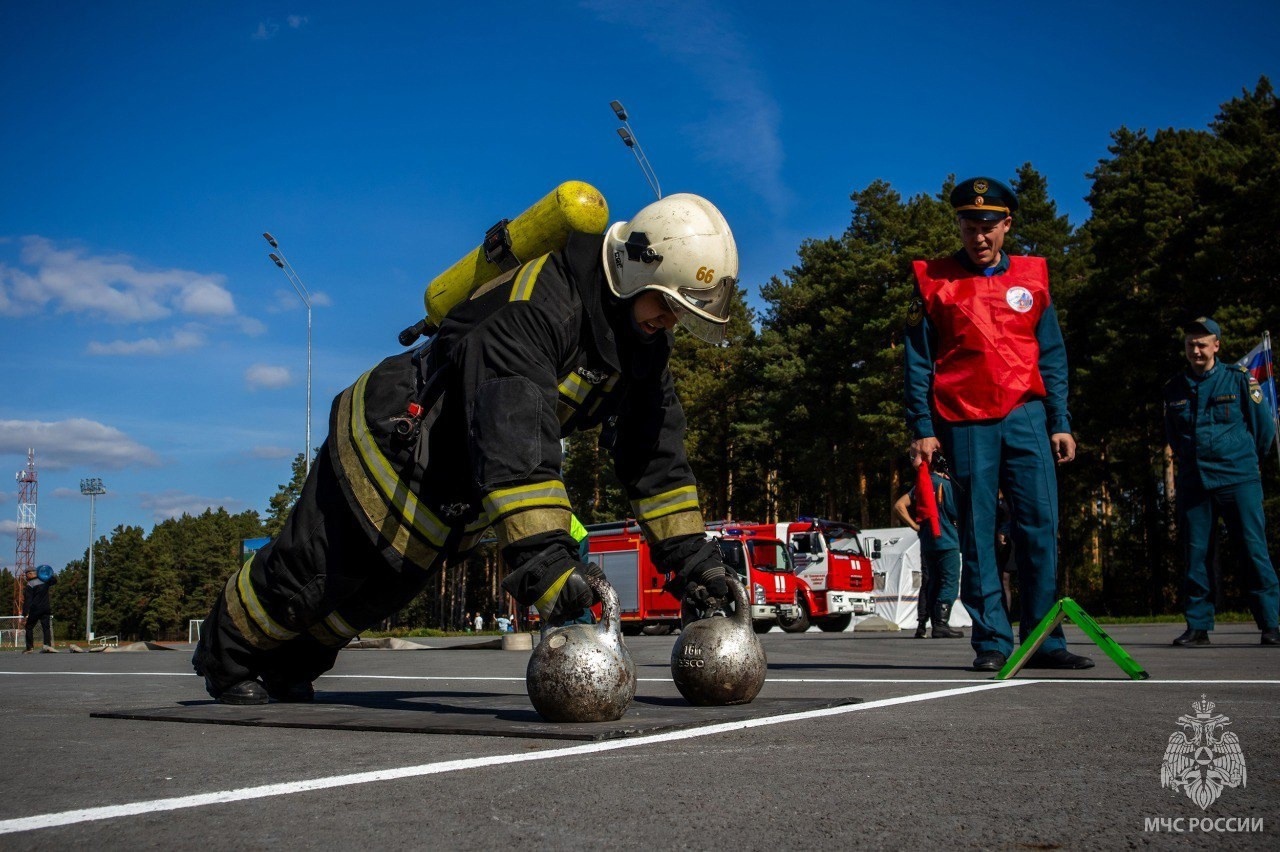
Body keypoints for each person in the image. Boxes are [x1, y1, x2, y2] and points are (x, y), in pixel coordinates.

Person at [192, 193, 738, 704]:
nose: (672, 322)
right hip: (388, 445)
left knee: (373, 596)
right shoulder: (540, 304)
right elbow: (515, 434)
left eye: (681, 313)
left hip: (453, 479)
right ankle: (228, 660)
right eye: (667, 304)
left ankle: (292, 666)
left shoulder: (641, 347)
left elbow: (656, 461)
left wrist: (696, 566)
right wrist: (546, 560)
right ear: (635, 271)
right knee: (311, 572)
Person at [904, 176, 1093, 672]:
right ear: (960, 226)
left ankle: (1045, 641)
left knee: (1039, 526)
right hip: (964, 420)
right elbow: (918, 361)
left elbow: (1052, 356)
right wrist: (921, 426)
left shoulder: (1033, 279)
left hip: (1027, 416)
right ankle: (991, 640)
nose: (979, 236)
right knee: (978, 532)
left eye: (989, 225)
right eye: (970, 225)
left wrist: (1061, 420)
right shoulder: (937, 282)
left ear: (1007, 224)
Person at [1163, 317, 1278, 646]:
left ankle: (1270, 624)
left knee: (1253, 550)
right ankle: (1198, 626)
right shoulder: (1174, 387)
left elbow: (1263, 430)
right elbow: (1174, 434)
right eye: (1190, 344)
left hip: (1238, 478)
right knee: (1195, 555)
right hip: (1195, 481)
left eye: (1202, 344)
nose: (1196, 350)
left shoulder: (1239, 379)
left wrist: (1243, 462)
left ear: (1217, 346)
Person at [893, 449, 964, 639]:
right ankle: (941, 623)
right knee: (949, 580)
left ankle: (931, 622)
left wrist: (916, 526)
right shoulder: (945, 485)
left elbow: (899, 505)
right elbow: (955, 512)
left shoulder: (920, 485)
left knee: (931, 581)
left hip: (927, 540)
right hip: (947, 538)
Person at [22, 565, 57, 653]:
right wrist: (48, 574)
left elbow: (28, 600)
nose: (26, 576)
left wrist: (25, 614)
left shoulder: (30, 584)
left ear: (30, 574)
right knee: (46, 627)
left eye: (26, 574)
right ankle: (47, 646)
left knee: (29, 627)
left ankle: (30, 648)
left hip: (35, 609)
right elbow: (54, 581)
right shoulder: (45, 580)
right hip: (46, 608)